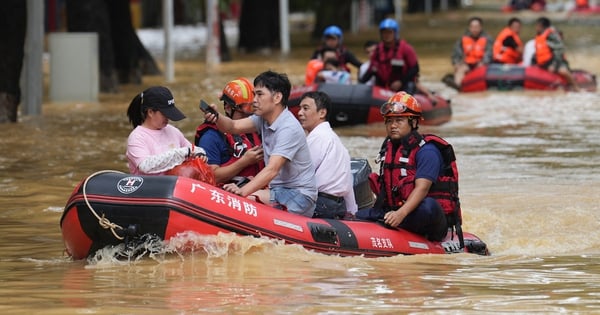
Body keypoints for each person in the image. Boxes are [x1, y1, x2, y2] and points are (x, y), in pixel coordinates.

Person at [203, 70, 317, 217]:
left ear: (277, 97)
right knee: (237, 200)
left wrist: (242, 191)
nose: (254, 100)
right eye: (254, 94)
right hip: (277, 190)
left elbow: (272, 169)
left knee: (243, 203)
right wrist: (216, 117)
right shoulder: (263, 119)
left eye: (259, 94)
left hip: (299, 195)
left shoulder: (288, 128)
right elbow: (232, 127)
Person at [355, 91, 463, 242]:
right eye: (389, 121)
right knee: (358, 215)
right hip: (395, 212)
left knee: (428, 207)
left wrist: (400, 214)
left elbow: (422, 188)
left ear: (413, 122)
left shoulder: (427, 151)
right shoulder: (388, 148)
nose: (393, 126)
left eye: (399, 121)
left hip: (426, 216)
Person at [297, 91, 357, 219]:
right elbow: (347, 181)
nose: (300, 113)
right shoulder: (335, 139)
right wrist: (352, 211)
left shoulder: (318, 137)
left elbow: (299, 176)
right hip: (338, 205)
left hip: (320, 203)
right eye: (300, 108)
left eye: (305, 108)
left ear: (322, 113)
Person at [195, 78, 264, 185]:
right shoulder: (211, 136)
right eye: (244, 114)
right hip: (229, 194)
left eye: (252, 114)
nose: (249, 119)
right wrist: (244, 162)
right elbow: (212, 177)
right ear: (227, 108)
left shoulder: (257, 129)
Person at [126, 86, 206, 175]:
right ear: (150, 112)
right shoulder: (137, 137)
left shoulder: (173, 131)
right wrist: (179, 153)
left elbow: (193, 149)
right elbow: (145, 166)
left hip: (178, 184)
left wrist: (200, 154)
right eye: (164, 113)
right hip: (150, 187)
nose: (168, 117)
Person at [360, 18, 437, 102]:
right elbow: (371, 69)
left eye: (389, 32)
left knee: (410, 85)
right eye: (384, 33)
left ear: (395, 33)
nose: (387, 35)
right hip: (383, 86)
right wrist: (360, 84)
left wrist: (400, 82)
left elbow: (415, 68)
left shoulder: (405, 48)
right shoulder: (378, 50)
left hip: (403, 84)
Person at [534, 17, 580, 91]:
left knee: (563, 71)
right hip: (543, 63)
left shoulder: (551, 36)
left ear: (541, 26)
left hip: (555, 62)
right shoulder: (539, 36)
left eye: (537, 26)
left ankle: (576, 87)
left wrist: (554, 65)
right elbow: (538, 52)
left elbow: (558, 51)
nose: (535, 27)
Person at [448, 17, 493, 90]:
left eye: (476, 27)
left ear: (481, 27)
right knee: (460, 69)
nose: (474, 29)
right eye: (472, 27)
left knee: (480, 68)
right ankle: (458, 87)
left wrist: (484, 62)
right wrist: (456, 63)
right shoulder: (463, 39)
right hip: (468, 64)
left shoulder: (488, 39)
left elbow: (489, 53)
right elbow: (456, 53)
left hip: (481, 65)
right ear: (469, 28)